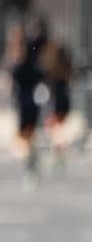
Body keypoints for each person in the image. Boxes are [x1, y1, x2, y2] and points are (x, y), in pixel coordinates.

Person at [6, 21, 43, 190]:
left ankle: (30, 166)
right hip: (24, 102)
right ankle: (31, 165)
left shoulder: (24, 58)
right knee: (26, 138)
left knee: (26, 137)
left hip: (27, 103)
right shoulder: (20, 60)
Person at [40, 38, 72, 175]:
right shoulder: (65, 68)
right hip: (64, 101)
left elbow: (48, 88)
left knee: (54, 130)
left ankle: (58, 152)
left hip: (56, 102)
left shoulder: (51, 70)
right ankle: (58, 153)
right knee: (56, 129)